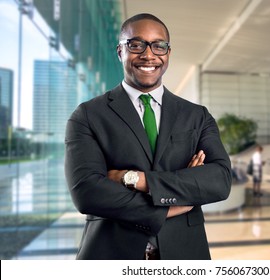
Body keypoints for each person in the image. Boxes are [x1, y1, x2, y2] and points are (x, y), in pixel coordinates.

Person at [64, 13, 232, 260]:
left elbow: (219, 180)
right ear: (120, 51)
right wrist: (174, 202)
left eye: (158, 45)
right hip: (110, 253)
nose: (148, 54)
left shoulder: (197, 116)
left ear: (168, 54)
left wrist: (134, 179)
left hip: (184, 254)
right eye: (136, 44)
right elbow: (87, 192)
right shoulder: (88, 115)